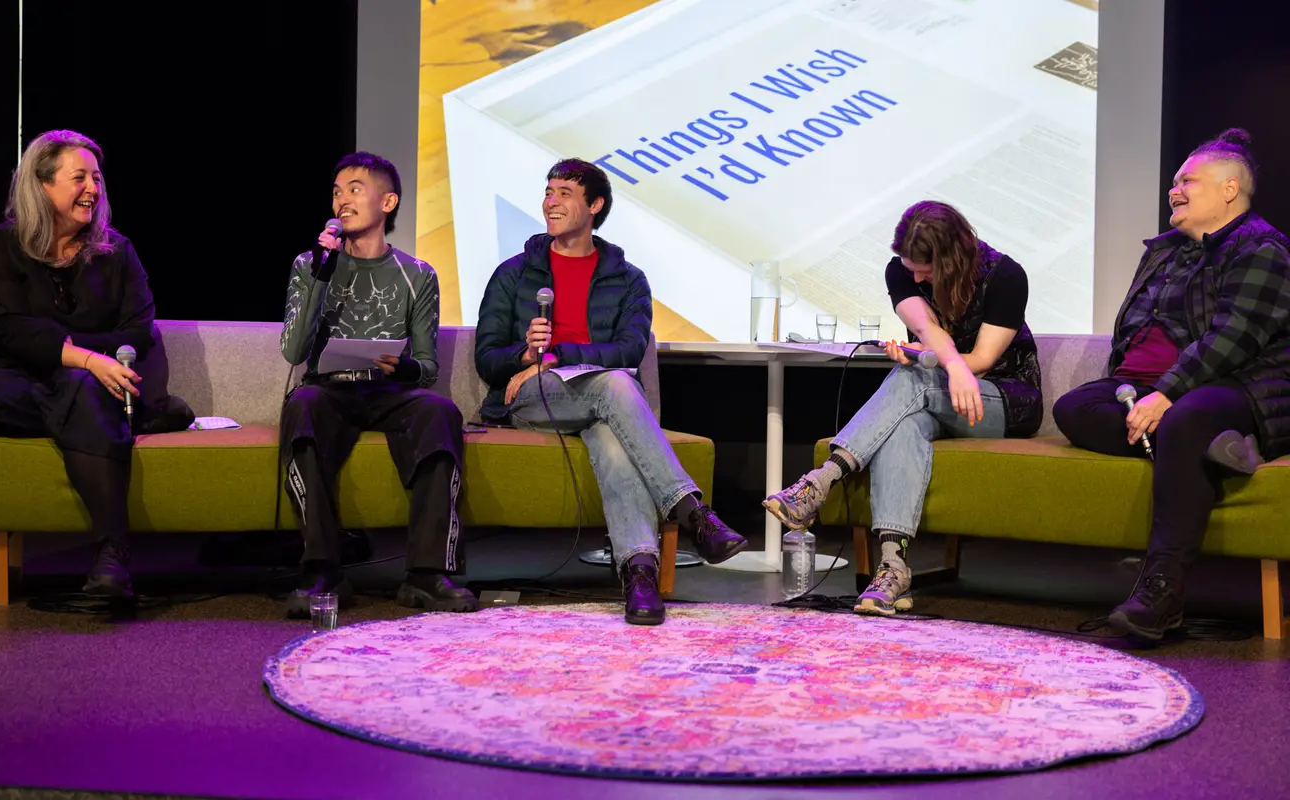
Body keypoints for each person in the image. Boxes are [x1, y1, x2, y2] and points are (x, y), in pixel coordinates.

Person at [474, 158, 748, 626]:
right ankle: (692, 511)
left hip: (601, 395)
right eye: (548, 191)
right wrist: (525, 356)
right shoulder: (515, 273)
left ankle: (639, 575)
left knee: (611, 432)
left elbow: (629, 348)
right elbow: (486, 357)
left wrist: (558, 352)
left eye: (564, 193)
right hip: (533, 397)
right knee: (617, 386)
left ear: (595, 205)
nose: (550, 201)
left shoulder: (628, 278)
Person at [1052, 128, 1290, 641]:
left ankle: (1163, 593)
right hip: (1146, 387)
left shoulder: (1262, 248)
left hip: (1238, 386)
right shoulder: (1163, 252)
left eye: (1188, 180)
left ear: (1229, 189)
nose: (1173, 189)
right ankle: (1209, 450)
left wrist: (1169, 391)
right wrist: (1138, 389)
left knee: (1188, 416)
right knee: (1074, 408)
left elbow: (1235, 336)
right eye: (1174, 181)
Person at [763, 201, 1041, 615]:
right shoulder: (900, 272)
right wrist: (931, 359)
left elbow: (981, 359)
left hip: (1003, 399)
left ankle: (821, 480)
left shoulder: (1006, 277)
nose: (915, 277)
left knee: (913, 381)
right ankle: (892, 569)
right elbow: (929, 330)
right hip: (940, 390)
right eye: (910, 268)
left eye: (925, 269)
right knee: (905, 423)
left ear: (951, 257)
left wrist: (950, 368)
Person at [0, 129, 160, 598]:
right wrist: (87, 356)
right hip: (19, 383)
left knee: (83, 389)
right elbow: (1, 328)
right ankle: (114, 418)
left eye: (97, 178)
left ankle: (113, 553)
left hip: (89, 387)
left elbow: (137, 333)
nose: (94, 188)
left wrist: (65, 355)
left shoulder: (118, 252)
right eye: (79, 177)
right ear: (42, 185)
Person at [279, 151, 475, 618]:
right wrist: (321, 271)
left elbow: (426, 365)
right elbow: (293, 351)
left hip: (389, 389)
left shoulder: (418, 274)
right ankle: (323, 569)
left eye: (354, 189)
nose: (341, 199)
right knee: (301, 406)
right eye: (336, 191)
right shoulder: (310, 263)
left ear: (387, 202)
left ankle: (428, 574)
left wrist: (404, 369)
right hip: (329, 387)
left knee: (440, 412)